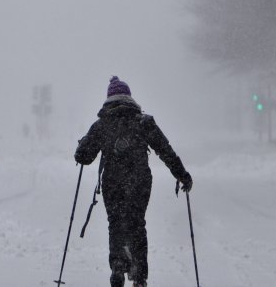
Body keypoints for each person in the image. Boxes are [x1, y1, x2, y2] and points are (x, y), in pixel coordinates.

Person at [74, 76, 192, 287]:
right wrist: (182, 174)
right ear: (129, 97)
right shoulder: (143, 122)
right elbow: (165, 150)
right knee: (137, 223)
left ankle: (118, 265)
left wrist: (84, 143)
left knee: (116, 224)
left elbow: (83, 157)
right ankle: (139, 276)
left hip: (113, 182)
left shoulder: (102, 125)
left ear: (109, 99)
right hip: (139, 181)